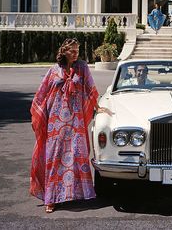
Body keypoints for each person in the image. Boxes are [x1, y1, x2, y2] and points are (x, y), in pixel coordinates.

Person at [30, 38, 110, 213]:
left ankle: (78, 193)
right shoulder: (53, 70)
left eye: (77, 50)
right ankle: (51, 199)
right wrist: (37, 116)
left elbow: (90, 89)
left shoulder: (82, 68)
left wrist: (98, 107)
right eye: (72, 51)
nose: (76, 54)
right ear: (64, 51)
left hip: (76, 119)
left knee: (77, 154)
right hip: (56, 122)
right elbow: (41, 94)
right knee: (55, 156)